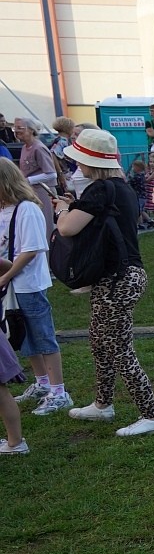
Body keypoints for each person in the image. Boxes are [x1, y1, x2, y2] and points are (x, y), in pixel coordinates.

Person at [54, 129, 154, 436]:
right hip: (123, 276)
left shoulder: (100, 189)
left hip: (117, 279)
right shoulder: (122, 188)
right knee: (100, 341)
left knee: (118, 348)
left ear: (91, 162)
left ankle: (152, 413)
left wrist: (63, 208)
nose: (79, 167)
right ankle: (103, 404)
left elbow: (66, 228)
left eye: (81, 161)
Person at [0, 158, 71, 417]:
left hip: (27, 283)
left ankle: (59, 391)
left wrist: (6, 276)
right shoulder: (4, 209)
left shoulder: (26, 209)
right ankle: (42, 383)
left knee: (42, 336)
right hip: (11, 283)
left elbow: (30, 249)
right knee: (23, 334)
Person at [12, 118, 56, 238]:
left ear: (31, 130)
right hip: (31, 191)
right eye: (15, 128)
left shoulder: (39, 148)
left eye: (20, 128)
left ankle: (49, 256)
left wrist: (28, 180)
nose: (16, 131)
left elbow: (51, 174)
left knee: (45, 227)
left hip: (43, 192)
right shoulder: (24, 147)